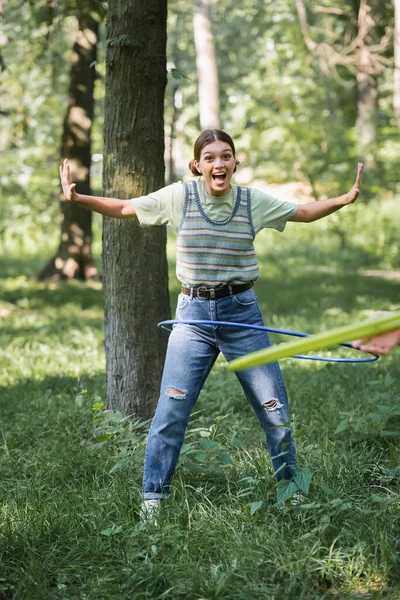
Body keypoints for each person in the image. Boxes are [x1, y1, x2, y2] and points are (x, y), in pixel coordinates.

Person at [60, 129, 364, 517]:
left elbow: (302, 213)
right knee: (171, 412)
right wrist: (78, 198)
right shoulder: (179, 197)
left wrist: (345, 198)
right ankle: (152, 498)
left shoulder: (253, 202)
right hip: (193, 317)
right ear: (197, 165)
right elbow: (124, 208)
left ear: (236, 163)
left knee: (274, 409)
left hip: (242, 314)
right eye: (210, 157)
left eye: (226, 156)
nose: (218, 164)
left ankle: (292, 489)